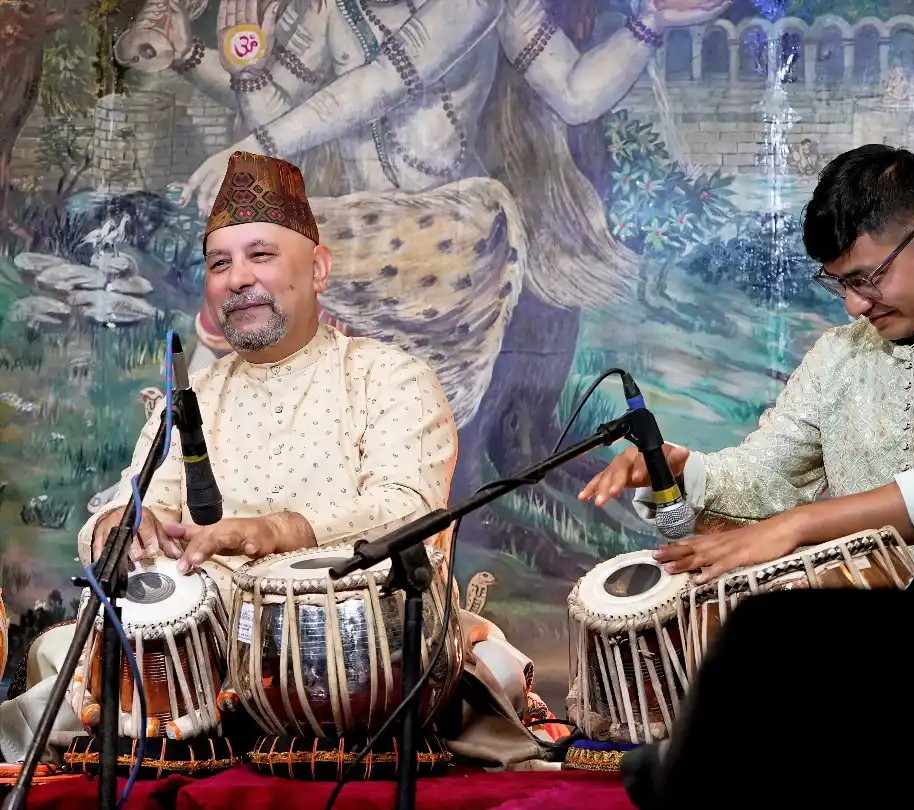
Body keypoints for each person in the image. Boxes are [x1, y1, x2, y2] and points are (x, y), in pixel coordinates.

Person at [0, 152, 553, 770]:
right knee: (65, 651)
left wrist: (272, 531)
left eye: (260, 256)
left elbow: (412, 508)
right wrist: (118, 529)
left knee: (476, 667)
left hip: (347, 661)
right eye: (219, 263)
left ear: (317, 268)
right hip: (198, 665)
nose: (238, 279)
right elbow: (139, 499)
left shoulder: (386, 376)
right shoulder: (193, 399)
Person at [580, 144, 914, 586]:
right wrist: (684, 472)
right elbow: (768, 471)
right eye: (840, 284)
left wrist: (799, 524)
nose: (854, 307)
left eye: (867, 279)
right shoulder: (838, 353)